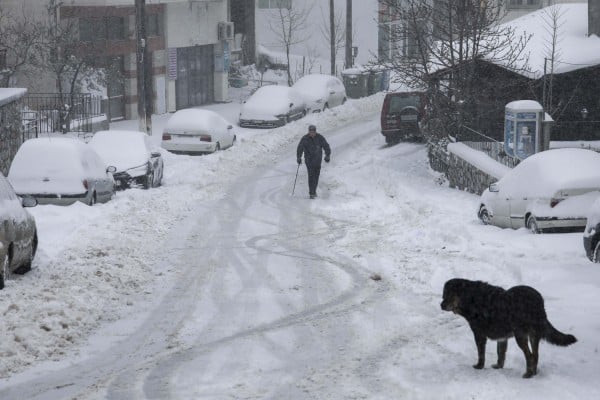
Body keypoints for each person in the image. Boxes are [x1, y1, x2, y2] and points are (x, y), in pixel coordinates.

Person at [297, 124, 331, 199]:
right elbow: (300, 148)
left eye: (313, 131)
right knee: (311, 176)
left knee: (316, 176)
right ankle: (311, 193)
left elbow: (326, 146)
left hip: (318, 160)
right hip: (309, 160)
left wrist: (327, 155)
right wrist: (299, 157)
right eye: (310, 131)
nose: (312, 133)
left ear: (315, 131)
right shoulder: (305, 138)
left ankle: (314, 191)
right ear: (308, 132)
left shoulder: (320, 138)